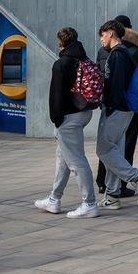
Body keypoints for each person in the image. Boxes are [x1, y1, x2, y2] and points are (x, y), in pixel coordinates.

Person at [34, 28, 99, 219]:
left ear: (60, 42)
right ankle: (54, 199)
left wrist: (56, 119)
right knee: (63, 158)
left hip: (68, 118)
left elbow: (56, 96)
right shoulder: (83, 59)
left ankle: (90, 204)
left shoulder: (61, 64)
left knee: (77, 161)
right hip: (84, 112)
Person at [95, 20, 138, 207]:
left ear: (111, 33)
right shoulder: (125, 53)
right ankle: (112, 195)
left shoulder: (117, 55)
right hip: (124, 109)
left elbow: (115, 85)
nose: (101, 39)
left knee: (103, 149)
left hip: (116, 109)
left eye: (102, 35)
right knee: (115, 150)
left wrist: (108, 106)